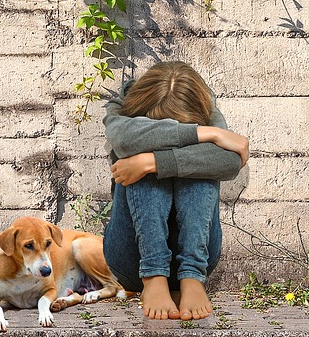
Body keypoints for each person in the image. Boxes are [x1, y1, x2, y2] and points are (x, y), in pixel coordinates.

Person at [102, 61, 249, 320]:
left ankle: (192, 277)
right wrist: (209, 134)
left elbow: (229, 161)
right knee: (141, 162)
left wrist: (154, 162)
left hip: (198, 255)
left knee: (200, 166)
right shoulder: (122, 107)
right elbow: (125, 140)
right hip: (131, 259)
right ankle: (153, 276)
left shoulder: (205, 106)